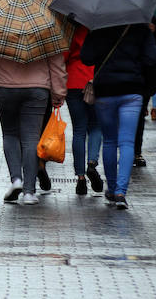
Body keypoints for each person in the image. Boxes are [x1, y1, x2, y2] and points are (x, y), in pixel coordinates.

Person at [81, 23, 156, 210]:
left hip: (105, 90)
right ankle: (121, 192)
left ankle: (112, 186)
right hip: (132, 90)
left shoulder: (99, 26)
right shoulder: (140, 27)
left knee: (109, 141)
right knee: (127, 142)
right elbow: (153, 58)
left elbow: (86, 58)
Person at [0, 50, 66, 205]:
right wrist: (58, 92)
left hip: (5, 86)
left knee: (10, 134)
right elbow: (56, 61)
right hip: (37, 87)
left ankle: (16, 180)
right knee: (31, 138)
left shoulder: (2, 26)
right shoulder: (46, 27)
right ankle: (29, 192)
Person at [64, 25, 103, 195]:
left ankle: (80, 178)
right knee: (95, 126)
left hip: (73, 81)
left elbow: (63, 56)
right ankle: (92, 163)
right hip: (95, 79)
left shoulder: (71, 29)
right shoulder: (100, 28)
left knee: (79, 130)